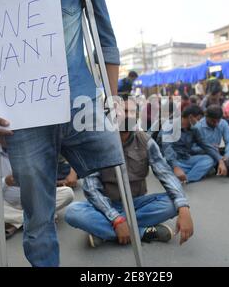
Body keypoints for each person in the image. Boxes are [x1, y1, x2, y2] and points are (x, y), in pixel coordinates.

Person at [0, 0, 124, 267]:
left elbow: (104, 35)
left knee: (120, 178)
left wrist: (113, 98)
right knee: (37, 217)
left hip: (80, 104)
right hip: (20, 115)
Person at [65, 97, 194, 247]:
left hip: (136, 204)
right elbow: (92, 189)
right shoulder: (96, 143)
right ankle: (142, 232)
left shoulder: (146, 141)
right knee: (73, 212)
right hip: (105, 206)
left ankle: (105, 232)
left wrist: (183, 208)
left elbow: (166, 174)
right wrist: (116, 219)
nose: (129, 115)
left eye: (133, 111)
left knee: (173, 203)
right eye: (124, 111)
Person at [0, 146, 75, 239]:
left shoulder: (32, 149)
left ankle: (15, 222)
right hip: (6, 204)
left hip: (34, 201)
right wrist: (5, 182)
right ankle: (37, 220)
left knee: (67, 193)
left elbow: (46, 179)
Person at [159, 105, 228, 184]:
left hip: (186, 159)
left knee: (209, 160)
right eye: (198, 119)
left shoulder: (194, 129)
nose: (199, 122)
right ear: (191, 117)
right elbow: (167, 149)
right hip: (170, 160)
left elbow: (205, 145)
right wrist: (175, 167)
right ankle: (182, 172)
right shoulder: (169, 126)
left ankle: (186, 178)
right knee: (165, 164)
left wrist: (220, 160)